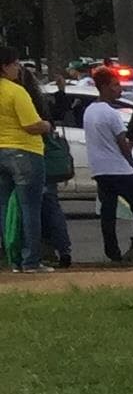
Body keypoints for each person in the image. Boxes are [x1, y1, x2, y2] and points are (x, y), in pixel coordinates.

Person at [79, 67, 133, 264]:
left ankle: (112, 251)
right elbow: (122, 143)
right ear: (105, 88)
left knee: (107, 213)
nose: (119, 89)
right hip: (119, 169)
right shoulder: (111, 114)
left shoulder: (89, 111)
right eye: (115, 85)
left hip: (99, 169)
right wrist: (131, 162)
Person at [0, 47, 48, 270]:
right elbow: (31, 125)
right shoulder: (16, 91)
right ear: (5, 66)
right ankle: (31, 260)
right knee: (30, 208)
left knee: (5, 208)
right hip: (24, 151)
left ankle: (13, 258)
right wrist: (46, 125)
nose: (18, 68)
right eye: (15, 64)